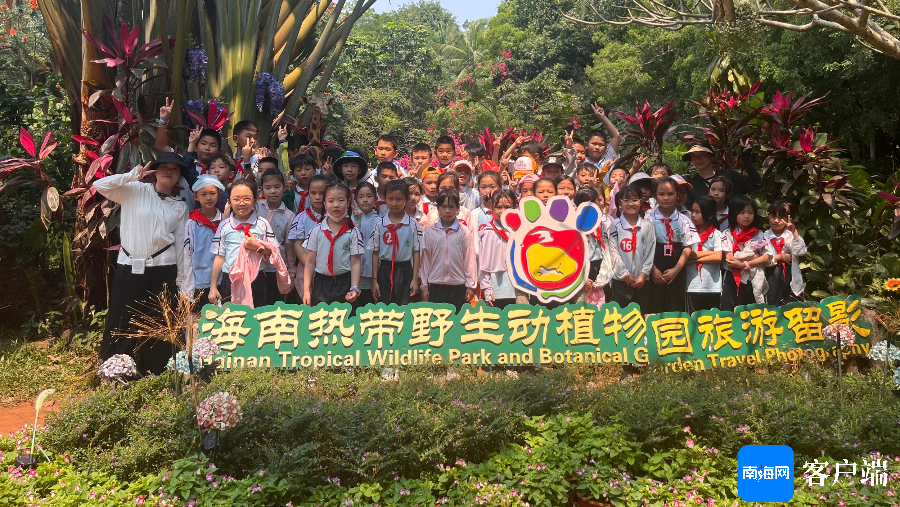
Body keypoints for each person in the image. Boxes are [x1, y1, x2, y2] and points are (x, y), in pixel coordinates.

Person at [94, 153, 189, 375]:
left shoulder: (179, 207)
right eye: (164, 167)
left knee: (160, 319)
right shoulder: (134, 190)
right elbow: (100, 186)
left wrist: (181, 280)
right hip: (130, 265)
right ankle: (115, 371)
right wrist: (132, 175)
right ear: (154, 171)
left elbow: (181, 245)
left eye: (174, 169)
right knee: (121, 317)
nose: (168, 171)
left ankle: (155, 370)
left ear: (179, 177)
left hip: (164, 268)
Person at [208, 178, 281, 308]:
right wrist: (213, 287)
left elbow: (273, 252)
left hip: (256, 279)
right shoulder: (224, 226)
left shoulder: (262, 224)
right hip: (230, 279)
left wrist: (257, 247)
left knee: (256, 315)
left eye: (247, 198)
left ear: (255, 201)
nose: (241, 203)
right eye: (236, 199)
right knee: (231, 316)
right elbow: (219, 256)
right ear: (229, 202)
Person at [302, 182, 365, 306]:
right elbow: (310, 262)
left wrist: (354, 288)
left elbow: (355, 262)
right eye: (331, 201)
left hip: (345, 283)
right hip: (321, 283)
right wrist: (306, 290)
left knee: (346, 317)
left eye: (341, 200)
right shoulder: (317, 231)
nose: (336, 205)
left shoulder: (353, 231)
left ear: (348, 203)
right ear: (325, 204)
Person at [645, 177, 699, 314]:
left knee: (674, 305)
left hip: (676, 263)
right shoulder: (648, 218)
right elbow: (644, 246)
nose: (666, 198)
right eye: (661, 194)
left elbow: (687, 247)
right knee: (654, 303)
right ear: (655, 196)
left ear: (677, 195)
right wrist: (653, 270)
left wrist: (676, 270)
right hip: (654, 262)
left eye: (670, 194)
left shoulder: (684, 220)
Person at [419, 189, 477, 311]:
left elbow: (469, 260)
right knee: (437, 320)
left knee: (457, 319)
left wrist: (471, 285)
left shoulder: (463, 231)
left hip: (458, 285)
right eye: (444, 207)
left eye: (451, 207)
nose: (447, 211)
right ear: (438, 208)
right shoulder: (430, 232)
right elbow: (425, 261)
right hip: (435, 284)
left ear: (458, 209)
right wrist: (424, 286)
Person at [371, 180, 422, 305]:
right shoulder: (379, 224)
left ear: (406, 199)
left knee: (405, 307)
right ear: (385, 199)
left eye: (399, 199)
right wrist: (374, 280)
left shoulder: (413, 224)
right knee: (385, 307)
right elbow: (375, 253)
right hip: (384, 270)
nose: (394, 203)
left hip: (405, 270)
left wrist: (415, 279)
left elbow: (416, 252)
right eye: (390, 199)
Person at [721, 195, 773, 311]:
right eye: (742, 212)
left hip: (753, 277)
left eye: (750, 212)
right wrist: (753, 257)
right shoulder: (726, 234)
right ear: (734, 214)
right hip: (732, 277)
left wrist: (744, 264)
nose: (746, 216)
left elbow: (766, 258)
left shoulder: (759, 234)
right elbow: (730, 259)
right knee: (730, 312)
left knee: (754, 312)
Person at [609, 185, 655, 308]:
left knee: (642, 314)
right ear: (620, 203)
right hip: (621, 280)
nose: (631, 204)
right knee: (620, 315)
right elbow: (613, 251)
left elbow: (650, 252)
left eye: (634, 200)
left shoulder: (648, 226)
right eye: (626, 200)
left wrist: (644, 274)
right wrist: (625, 274)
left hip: (642, 280)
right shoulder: (615, 225)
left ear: (641, 201)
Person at [255, 168, 296, 305]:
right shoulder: (256, 207)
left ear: (284, 187)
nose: (273, 191)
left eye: (277, 187)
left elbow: (289, 246)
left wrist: (291, 272)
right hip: (255, 265)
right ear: (261, 189)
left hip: (276, 267)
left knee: (274, 305)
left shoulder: (289, 216)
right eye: (268, 188)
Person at [182, 175, 225, 304]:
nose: (208, 198)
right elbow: (187, 254)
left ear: (219, 195)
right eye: (203, 194)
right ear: (195, 197)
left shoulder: (225, 221)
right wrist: (188, 285)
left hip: (223, 278)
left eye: (212, 193)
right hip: (199, 280)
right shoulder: (191, 224)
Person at [287, 174, 329, 298]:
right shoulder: (301, 218)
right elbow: (297, 245)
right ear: (308, 194)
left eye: (322, 193)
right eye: (313, 193)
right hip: (306, 268)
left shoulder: (337, 219)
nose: (317, 197)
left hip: (331, 270)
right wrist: (311, 266)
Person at [685, 196, 727, 312]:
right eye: (692, 211)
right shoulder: (688, 233)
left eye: (697, 212)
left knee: (711, 319)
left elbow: (718, 257)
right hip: (692, 285)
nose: (693, 215)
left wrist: (694, 258)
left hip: (712, 286)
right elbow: (687, 255)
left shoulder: (716, 234)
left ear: (709, 215)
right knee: (692, 319)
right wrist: (710, 253)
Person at [478, 189, 518, 309]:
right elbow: (483, 265)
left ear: (515, 207)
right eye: (499, 207)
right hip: (496, 288)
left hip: (518, 287)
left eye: (507, 207)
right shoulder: (487, 232)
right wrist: (487, 290)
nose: (503, 211)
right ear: (492, 208)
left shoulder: (520, 231)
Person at [685, 141, 761, 202]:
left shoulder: (729, 175)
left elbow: (755, 182)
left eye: (702, 154)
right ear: (691, 161)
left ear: (711, 156)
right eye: (694, 156)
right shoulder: (691, 185)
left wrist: (746, 158)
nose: (698, 159)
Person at [764, 200, 807, 305]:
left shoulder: (791, 236)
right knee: (772, 305)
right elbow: (762, 258)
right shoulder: (764, 236)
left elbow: (802, 251)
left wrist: (794, 231)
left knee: (792, 305)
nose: (776, 220)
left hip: (790, 274)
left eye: (781, 218)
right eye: (773, 216)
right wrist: (779, 257)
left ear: (789, 218)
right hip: (771, 275)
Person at [353, 182, 380, 307]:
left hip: (374, 275)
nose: (365, 200)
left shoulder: (380, 221)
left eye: (369, 196)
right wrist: (357, 220)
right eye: (361, 196)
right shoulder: (350, 219)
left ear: (375, 199)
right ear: (355, 200)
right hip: (354, 275)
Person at [583, 103, 621, 185]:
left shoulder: (609, 158)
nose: (597, 147)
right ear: (586, 145)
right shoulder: (581, 163)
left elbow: (616, 136)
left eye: (601, 145)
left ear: (606, 147)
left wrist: (603, 117)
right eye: (594, 144)